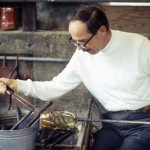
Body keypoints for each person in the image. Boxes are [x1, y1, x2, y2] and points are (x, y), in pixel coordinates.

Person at [0, 4, 150, 150]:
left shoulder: (140, 46)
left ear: (102, 30)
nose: (78, 48)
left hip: (144, 122)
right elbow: (55, 87)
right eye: (74, 41)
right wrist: (16, 84)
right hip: (112, 121)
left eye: (83, 41)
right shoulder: (82, 55)